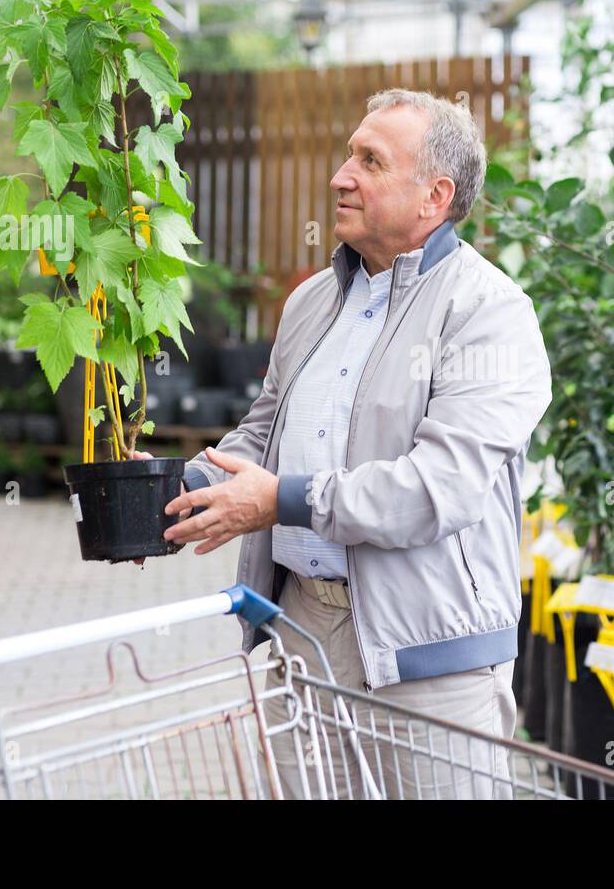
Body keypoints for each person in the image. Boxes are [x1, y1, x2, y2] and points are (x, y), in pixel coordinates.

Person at [138, 88, 552, 798]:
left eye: (369, 160)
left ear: (434, 196)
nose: (340, 176)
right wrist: (194, 484)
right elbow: (266, 432)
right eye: (348, 154)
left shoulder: (489, 313)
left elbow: (436, 489)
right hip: (300, 631)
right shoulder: (313, 300)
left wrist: (281, 502)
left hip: (426, 659)